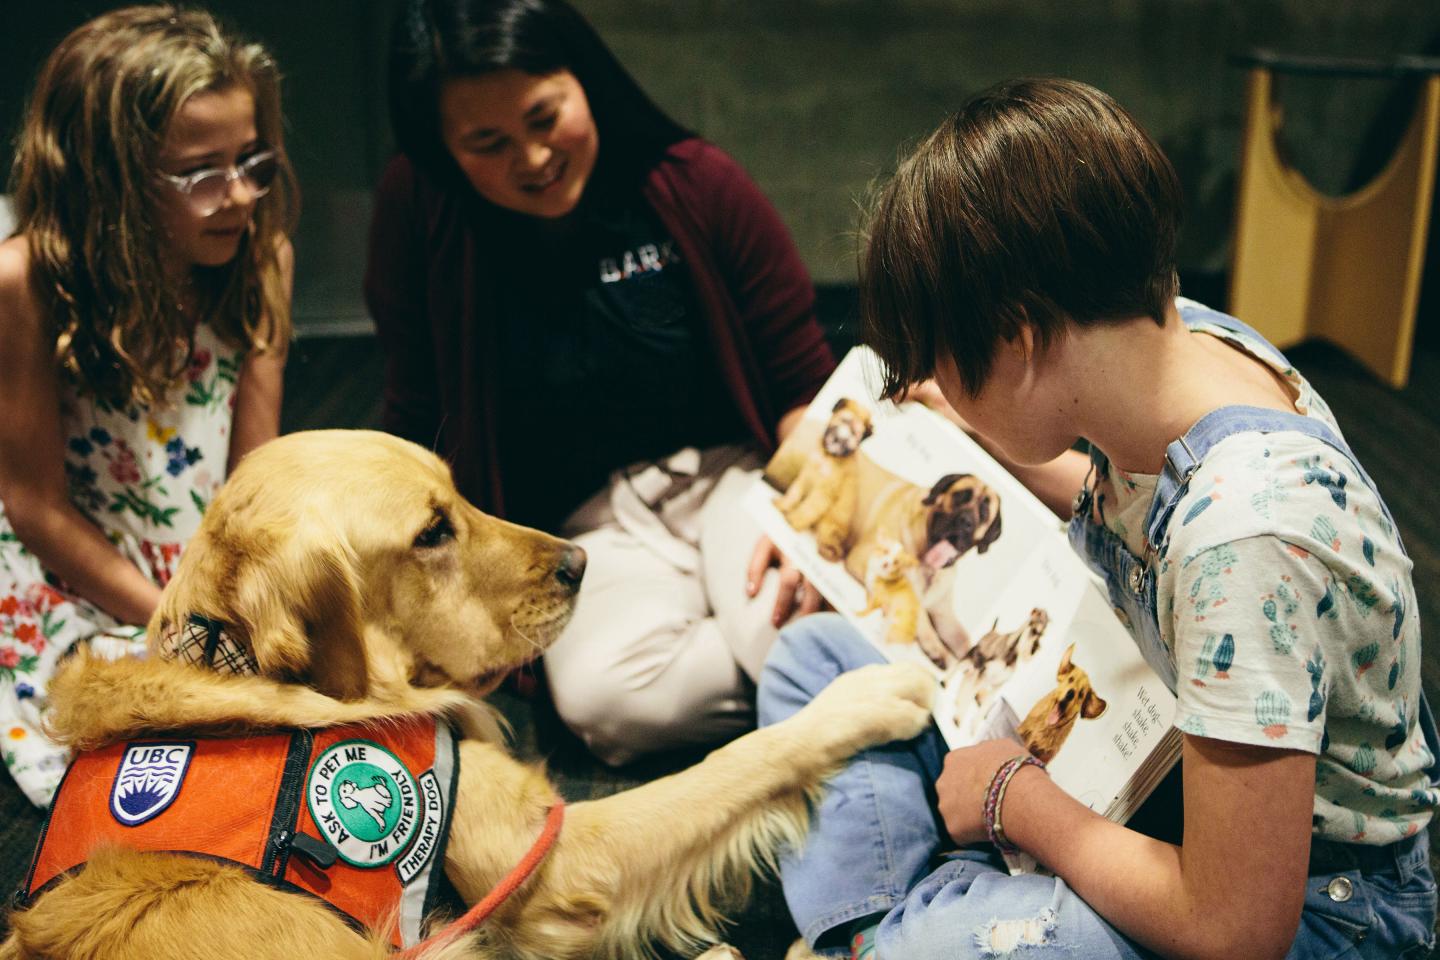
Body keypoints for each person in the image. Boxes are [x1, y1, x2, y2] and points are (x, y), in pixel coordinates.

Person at [760, 78, 1437, 960]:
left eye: (949, 362)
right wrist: (964, 423)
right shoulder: (1181, 341)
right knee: (815, 659)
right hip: (1168, 762)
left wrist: (1017, 802)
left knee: (943, 936)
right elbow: (1129, 491)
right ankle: (884, 933)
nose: (943, 386)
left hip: (1321, 902)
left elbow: (1236, 930)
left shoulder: (1246, 539)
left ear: (1020, 339)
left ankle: (885, 928)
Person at [367, 0, 832, 766]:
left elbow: (800, 385)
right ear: (442, 151)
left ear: (585, 81)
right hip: (580, 531)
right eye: (488, 143)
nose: (533, 158)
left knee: (787, 619)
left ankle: (798, 658)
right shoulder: (416, 214)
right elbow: (414, 418)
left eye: (545, 118)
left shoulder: (695, 181)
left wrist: (812, 523)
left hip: (733, 479)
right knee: (609, 706)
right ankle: (811, 671)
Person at [0, 5, 297, 807]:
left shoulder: (262, 255)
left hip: (208, 562)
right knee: (164, 762)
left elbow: (254, 474)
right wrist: (177, 620)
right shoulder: (24, 283)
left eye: (252, 160)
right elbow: (35, 509)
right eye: (201, 172)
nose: (238, 195)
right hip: (81, 576)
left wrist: (242, 606)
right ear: (110, 177)